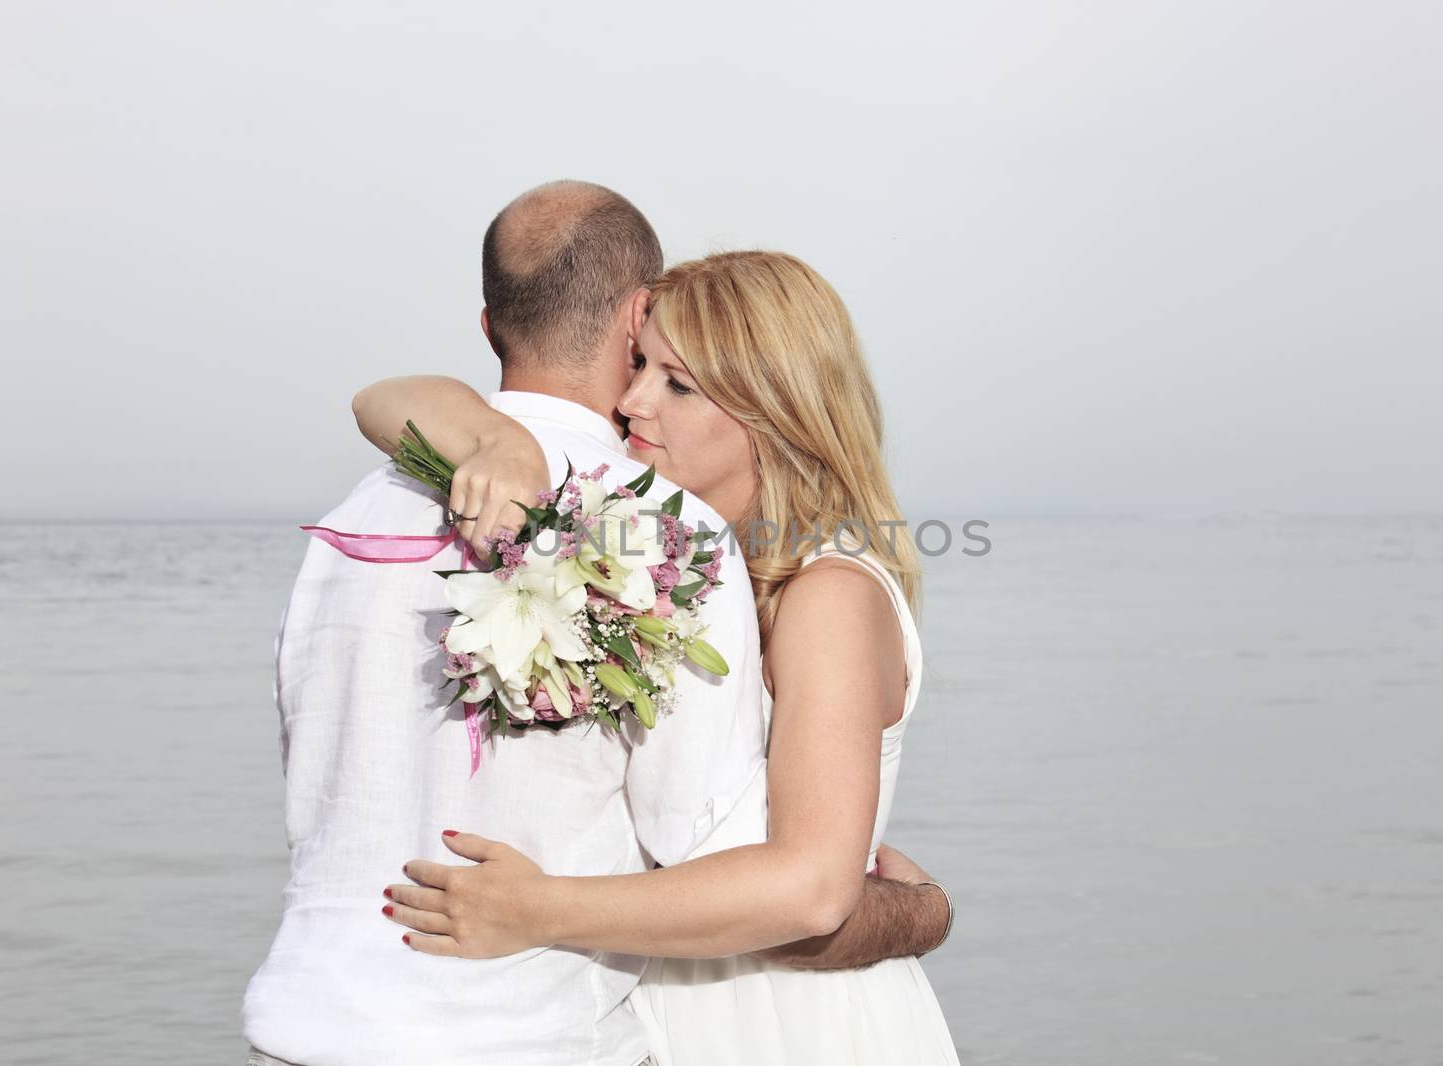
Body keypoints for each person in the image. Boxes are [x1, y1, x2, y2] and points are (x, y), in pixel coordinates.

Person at [243, 181, 944, 1066]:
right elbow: (743, 860)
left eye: (678, 383)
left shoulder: (363, 513)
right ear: (627, 323)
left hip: (762, 1024)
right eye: (644, 366)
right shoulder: (663, 536)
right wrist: (912, 908)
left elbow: (803, 886)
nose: (635, 402)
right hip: (574, 1024)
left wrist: (912, 909)